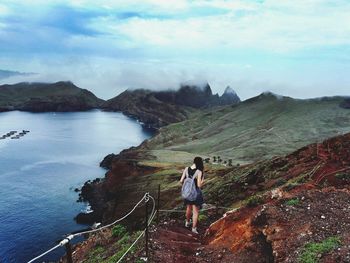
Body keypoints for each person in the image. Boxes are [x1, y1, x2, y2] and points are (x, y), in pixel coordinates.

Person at [179, 156, 204, 234]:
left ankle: (187, 222)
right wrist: (203, 181)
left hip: (188, 192)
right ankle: (193, 228)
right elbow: (199, 185)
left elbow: (181, 181)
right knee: (195, 211)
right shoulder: (199, 171)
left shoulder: (186, 169)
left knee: (188, 208)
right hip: (196, 193)